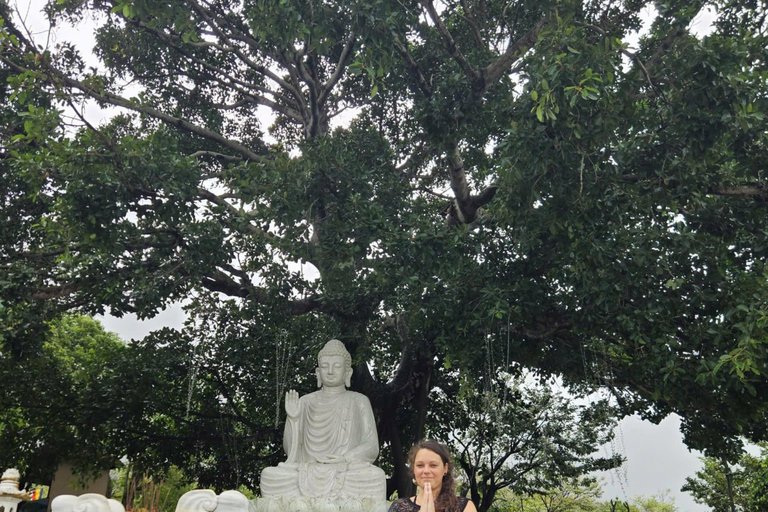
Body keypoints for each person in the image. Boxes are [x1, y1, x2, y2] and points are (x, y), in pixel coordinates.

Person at [260, 339, 386, 500]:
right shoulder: (305, 402)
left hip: (346, 471)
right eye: (325, 366)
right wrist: (293, 419)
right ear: (318, 373)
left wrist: (345, 459)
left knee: (376, 477)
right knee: (270, 475)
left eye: (337, 366)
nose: (331, 371)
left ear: (348, 373)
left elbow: (371, 446)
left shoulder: (359, 401)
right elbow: (291, 451)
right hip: (306, 469)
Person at [388, 440, 478, 512]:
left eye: (433, 465)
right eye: (420, 465)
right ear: (414, 469)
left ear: (445, 468)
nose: (426, 471)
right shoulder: (399, 507)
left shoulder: (464, 506)